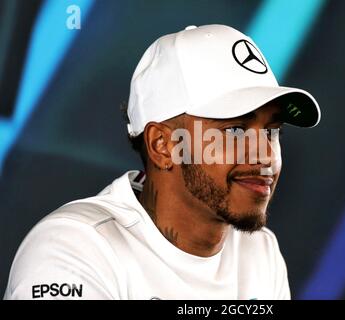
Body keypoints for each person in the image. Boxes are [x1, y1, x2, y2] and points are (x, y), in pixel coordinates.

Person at [4, 24, 320, 300]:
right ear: (162, 145)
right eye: (235, 130)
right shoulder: (74, 248)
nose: (265, 155)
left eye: (272, 130)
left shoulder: (259, 253)